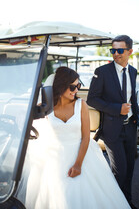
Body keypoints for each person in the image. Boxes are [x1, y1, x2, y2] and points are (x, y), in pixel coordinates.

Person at [16, 66, 131, 209]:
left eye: (78, 85)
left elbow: (85, 137)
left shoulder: (81, 105)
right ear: (60, 85)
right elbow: (29, 123)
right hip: (54, 157)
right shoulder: (45, 107)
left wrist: (78, 164)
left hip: (82, 154)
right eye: (72, 87)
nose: (76, 90)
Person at [87, 35, 139, 209]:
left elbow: (132, 98)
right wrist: (116, 108)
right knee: (119, 172)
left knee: (129, 172)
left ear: (130, 52)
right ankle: (115, 205)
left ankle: (126, 203)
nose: (116, 54)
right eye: (113, 50)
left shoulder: (133, 72)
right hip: (112, 131)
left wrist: (138, 119)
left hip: (130, 128)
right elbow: (92, 99)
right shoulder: (102, 72)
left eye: (120, 50)